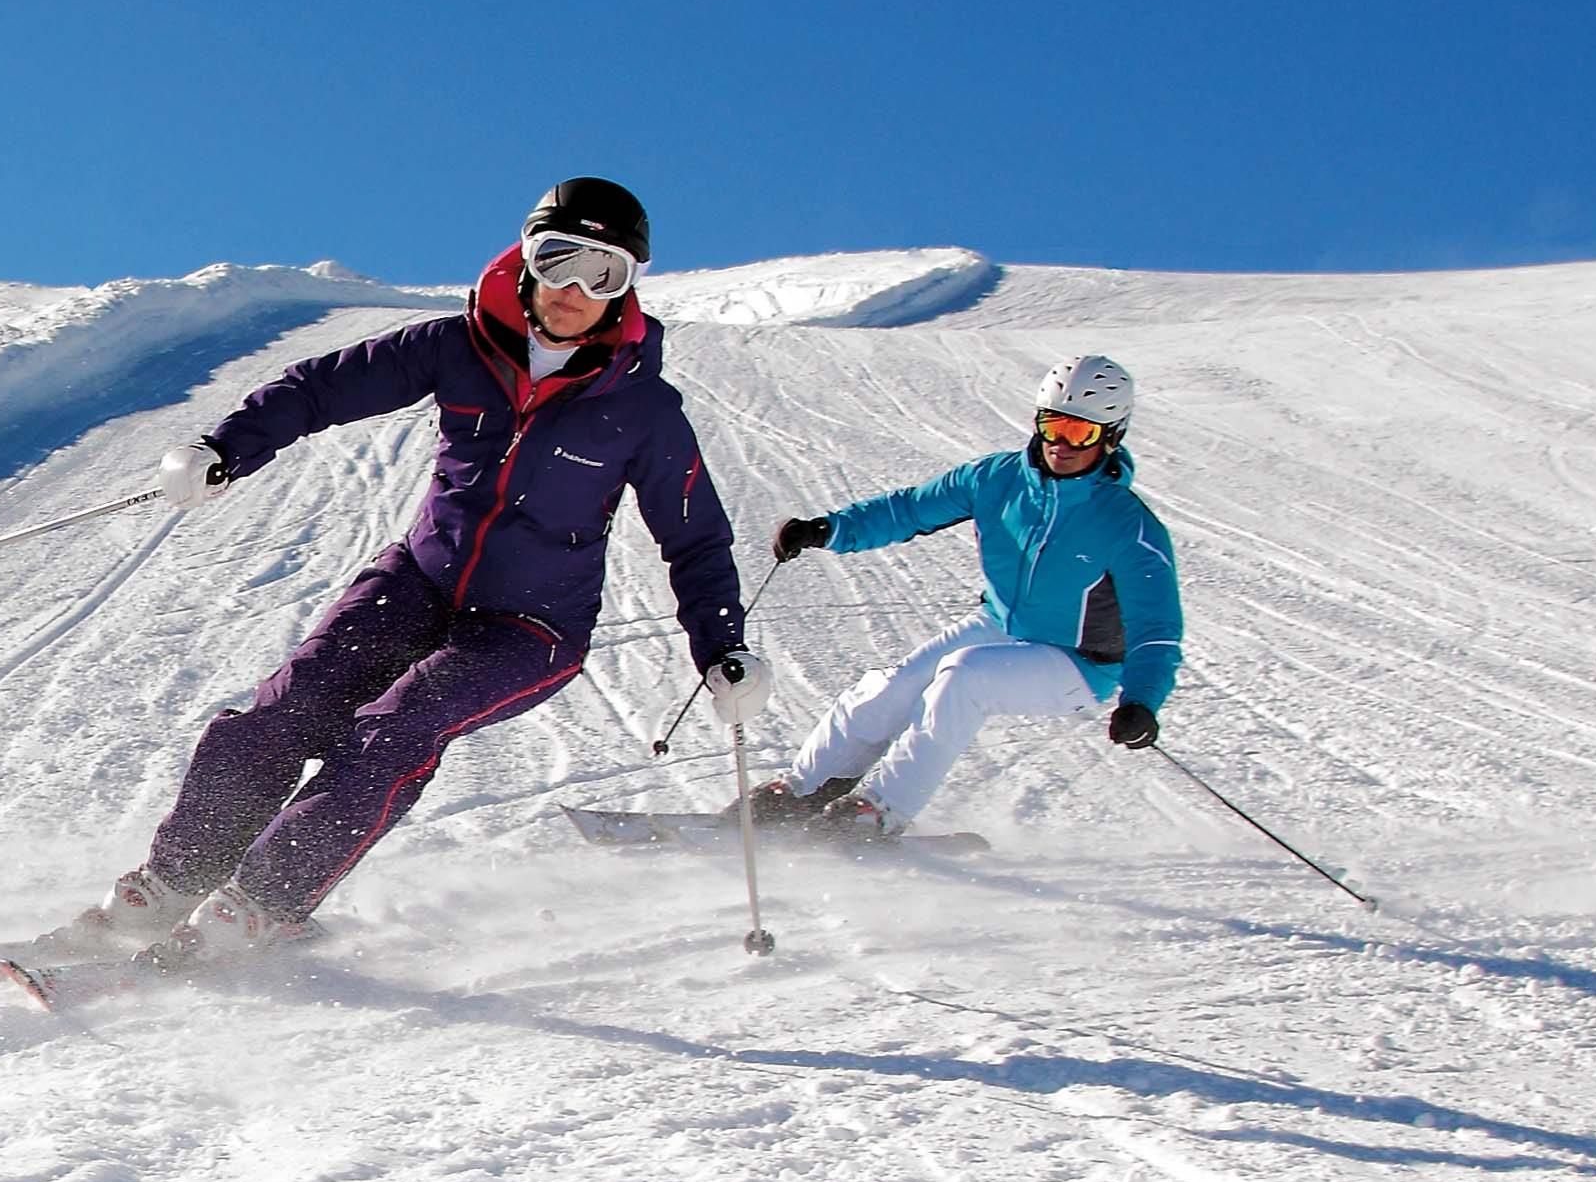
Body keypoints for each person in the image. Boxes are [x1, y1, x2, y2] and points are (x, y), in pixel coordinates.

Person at [87, 177, 752, 966]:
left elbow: (695, 539)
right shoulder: (459, 346)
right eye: (559, 258)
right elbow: (319, 389)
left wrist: (723, 649)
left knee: (394, 729)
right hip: (420, 581)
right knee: (284, 711)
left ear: (627, 288)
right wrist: (225, 448)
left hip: (531, 627)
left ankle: (262, 908)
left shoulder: (643, 410)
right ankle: (170, 884)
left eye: (603, 273)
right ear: (526, 259)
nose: (575, 289)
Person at [748, 352, 1181, 840]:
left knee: (964, 678)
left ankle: (881, 810)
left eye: (1079, 432)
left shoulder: (1128, 524)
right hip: (1001, 625)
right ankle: (803, 789)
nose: (1060, 444)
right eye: (1052, 425)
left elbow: (1157, 629)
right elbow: (910, 510)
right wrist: (829, 529)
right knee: (895, 686)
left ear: (1111, 436)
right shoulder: (997, 479)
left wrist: (1142, 701)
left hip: (1080, 662)